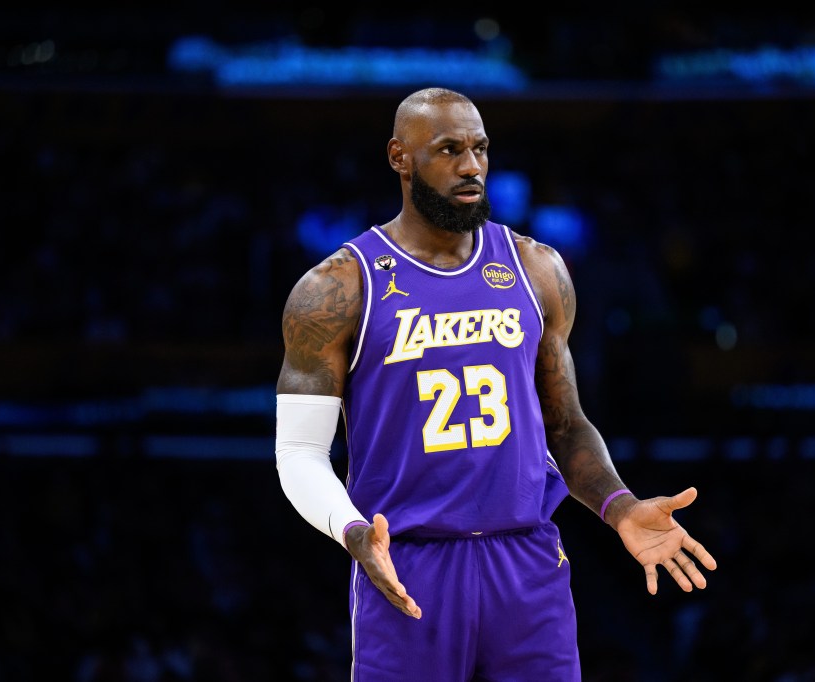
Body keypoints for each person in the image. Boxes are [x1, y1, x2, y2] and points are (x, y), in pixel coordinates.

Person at [274, 86, 717, 680]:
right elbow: (299, 452)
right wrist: (351, 530)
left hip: (527, 557)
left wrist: (620, 506)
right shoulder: (337, 288)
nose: (471, 166)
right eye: (449, 149)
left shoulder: (537, 268)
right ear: (399, 158)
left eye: (480, 149)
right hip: (406, 558)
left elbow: (565, 423)